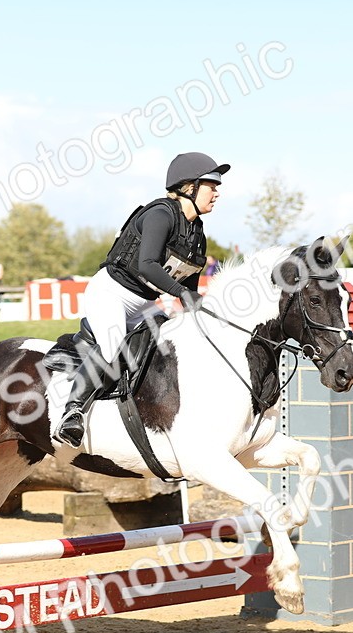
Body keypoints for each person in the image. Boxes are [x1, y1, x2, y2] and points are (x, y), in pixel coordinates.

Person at [55, 151, 228, 447]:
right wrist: (183, 293)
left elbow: (188, 281)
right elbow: (148, 265)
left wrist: (201, 313)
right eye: (212, 186)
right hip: (111, 292)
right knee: (111, 346)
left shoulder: (196, 232)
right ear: (189, 187)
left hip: (144, 303)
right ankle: (72, 413)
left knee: (171, 348)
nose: (217, 194)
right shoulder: (160, 215)